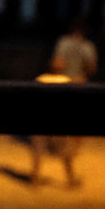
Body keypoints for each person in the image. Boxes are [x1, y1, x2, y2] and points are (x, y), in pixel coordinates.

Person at [30, 15, 97, 187]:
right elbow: (92, 68)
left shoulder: (63, 43)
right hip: (78, 87)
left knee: (43, 134)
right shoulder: (88, 46)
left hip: (60, 87)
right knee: (68, 135)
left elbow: (57, 63)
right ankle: (70, 178)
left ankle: (35, 176)